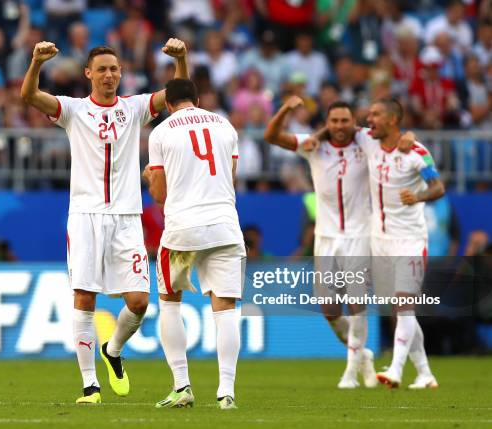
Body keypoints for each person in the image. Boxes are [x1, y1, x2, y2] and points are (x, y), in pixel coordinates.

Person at [20, 38, 188, 405]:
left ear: (121, 73)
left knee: (140, 301)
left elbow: (179, 95)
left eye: (114, 69)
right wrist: (36, 62)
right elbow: (30, 96)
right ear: (88, 74)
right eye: (102, 69)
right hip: (85, 217)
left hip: (127, 219)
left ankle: (112, 350)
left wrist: (181, 60)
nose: (109, 75)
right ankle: (90, 386)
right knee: (84, 297)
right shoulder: (73, 110)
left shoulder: (136, 107)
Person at [265, 98, 382, 389]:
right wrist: (286, 110)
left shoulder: (366, 142)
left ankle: (350, 372)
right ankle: (362, 355)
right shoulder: (313, 146)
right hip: (326, 237)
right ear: (326, 123)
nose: (340, 127)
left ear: (354, 122)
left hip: (359, 234)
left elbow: (394, 135)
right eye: (335, 121)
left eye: (345, 121)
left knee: (357, 303)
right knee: (330, 309)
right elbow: (271, 136)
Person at [143, 78, 245, 410]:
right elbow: (230, 179)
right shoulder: (225, 125)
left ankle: (181, 386)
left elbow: (160, 195)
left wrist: (150, 178)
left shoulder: (161, 133)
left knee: (170, 303)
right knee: (225, 309)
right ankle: (226, 392)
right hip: (225, 226)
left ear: (167, 105)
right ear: (198, 99)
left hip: (183, 228)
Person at [352, 99, 445, 389]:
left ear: (393, 120)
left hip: (410, 240)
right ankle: (425, 373)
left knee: (404, 306)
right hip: (380, 240)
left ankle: (395, 369)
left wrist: (417, 197)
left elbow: (438, 187)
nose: (369, 119)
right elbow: (341, 132)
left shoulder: (416, 153)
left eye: (376, 114)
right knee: (399, 308)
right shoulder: (368, 140)